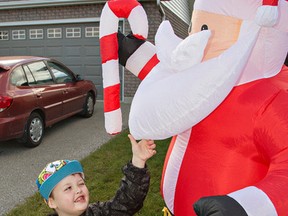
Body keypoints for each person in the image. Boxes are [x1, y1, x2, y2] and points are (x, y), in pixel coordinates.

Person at [36, 134, 156, 216]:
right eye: (68, 188)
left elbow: (126, 203)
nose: (78, 190)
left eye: (81, 183)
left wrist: (138, 161)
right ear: (51, 202)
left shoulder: (97, 213)